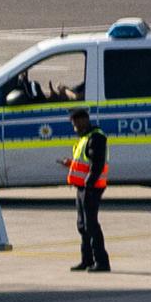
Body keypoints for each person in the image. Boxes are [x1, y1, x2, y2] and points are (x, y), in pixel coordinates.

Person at [62, 108, 110, 271]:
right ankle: (87, 260)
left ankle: (102, 262)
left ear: (83, 120)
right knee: (82, 225)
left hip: (92, 187)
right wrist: (70, 164)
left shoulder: (96, 137)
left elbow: (97, 164)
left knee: (91, 225)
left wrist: (89, 184)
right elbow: (84, 162)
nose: (74, 127)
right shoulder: (85, 138)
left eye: (75, 123)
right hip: (82, 187)